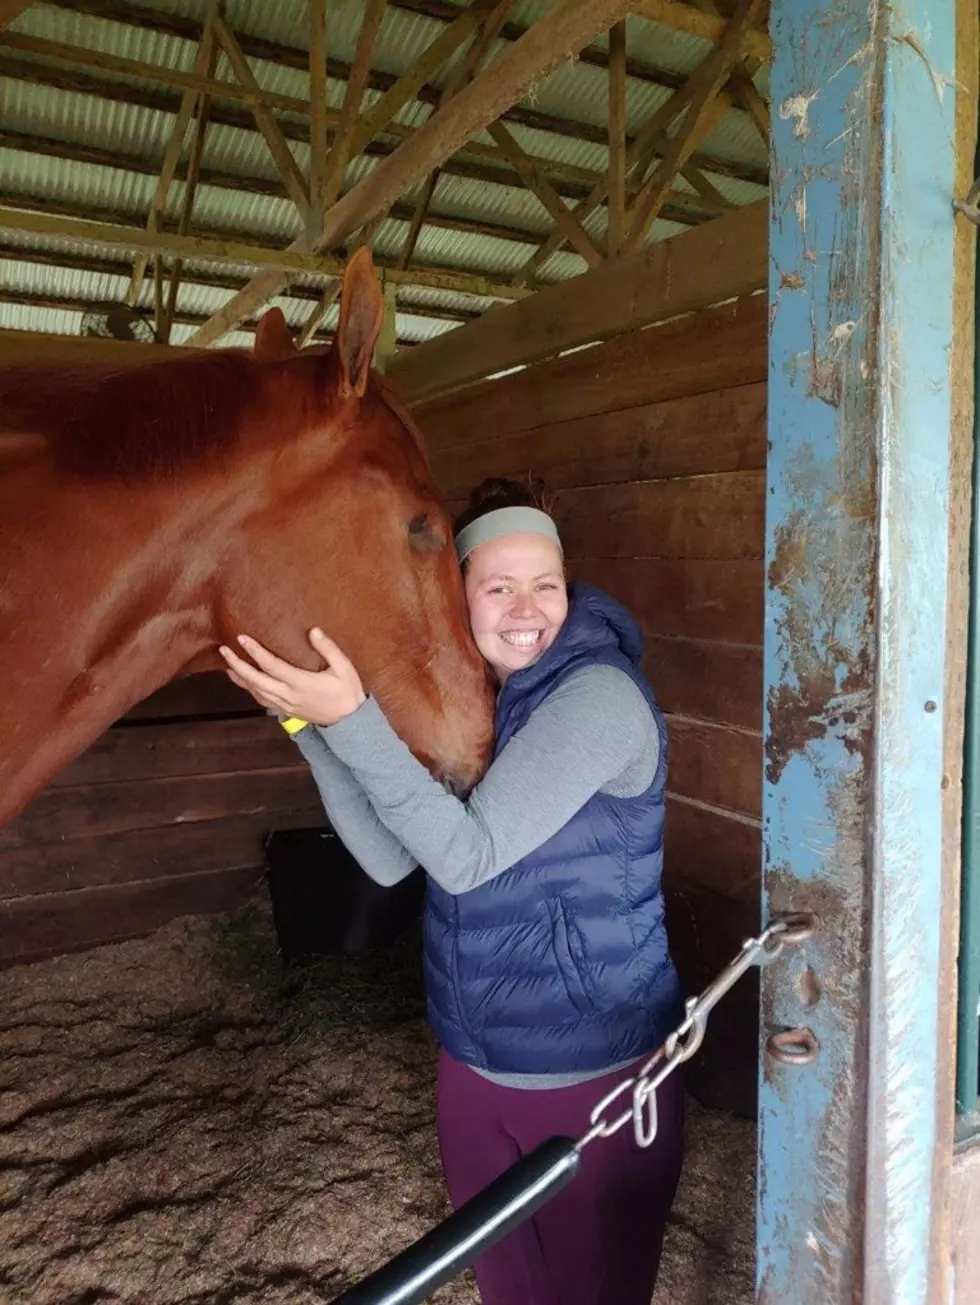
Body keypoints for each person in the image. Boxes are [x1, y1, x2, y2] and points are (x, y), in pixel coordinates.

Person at [219, 477, 686, 1305]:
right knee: (506, 1289)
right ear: (457, 594)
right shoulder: (473, 707)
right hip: (473, 1066)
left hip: (593, 1073)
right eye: (498, 585)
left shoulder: (600, 698)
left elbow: (465, 856)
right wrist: (308, 723)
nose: (526, 608)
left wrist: (353, 714)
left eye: (546, 583)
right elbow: (393, 859)